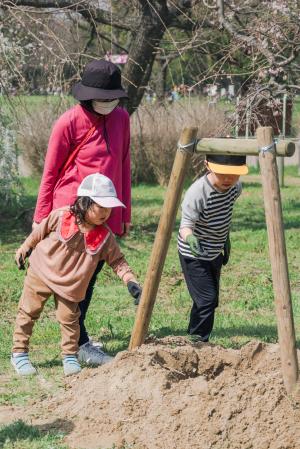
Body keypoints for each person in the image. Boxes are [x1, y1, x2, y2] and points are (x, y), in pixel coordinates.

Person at [33, 59, 131, 365]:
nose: (109, 104)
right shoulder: (68, 122)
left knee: (91, 274)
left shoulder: (122, 119)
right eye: (103, 99)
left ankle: (77, 336)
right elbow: (50, 172)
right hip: (70, 212)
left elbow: (124, 165)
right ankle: (80, 342)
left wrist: (123, 214)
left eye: (113, 98)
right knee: (77, 277)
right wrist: (41, 217)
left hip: (105, 212)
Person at [11, 174, 142, 377]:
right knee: (28, 313)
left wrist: (131, 282)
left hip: (71, 286)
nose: (106, 212)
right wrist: (24, 248)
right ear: (84, 202)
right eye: (101, 206)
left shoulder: (105, 237)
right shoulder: (61, 215)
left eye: (109, 208)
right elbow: (39, 232)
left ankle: (70, 356)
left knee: (70, 321)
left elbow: (118, 261)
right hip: (41, 272)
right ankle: (19, 354)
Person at [178, 155, 248, 342]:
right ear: (207, 166)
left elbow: (224, 212)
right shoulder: (197, 193)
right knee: (206, 299)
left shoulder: (235, 188)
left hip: (214, 251)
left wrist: (225, 238)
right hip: (193, 253)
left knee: (210, 300)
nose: (228, 179)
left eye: (234, 175)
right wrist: (191, 239)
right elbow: (185, 225)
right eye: (222, 174)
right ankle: (198, 341)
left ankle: (195, 335)